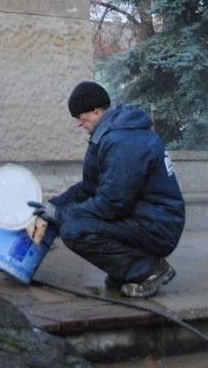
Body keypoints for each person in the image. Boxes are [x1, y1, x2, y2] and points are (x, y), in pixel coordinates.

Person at [28, 81, 185, 299]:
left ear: (96, 110)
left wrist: (62, 215)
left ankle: (149, 270)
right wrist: (54, 205)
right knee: (74, 221)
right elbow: (89, 188)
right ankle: (128, 270)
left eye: (81, 117)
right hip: (146, 216)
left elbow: (112, 204)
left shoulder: (123, 141)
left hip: (158, 224)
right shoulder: (111, 134)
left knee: (75, 230)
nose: (79, 124)